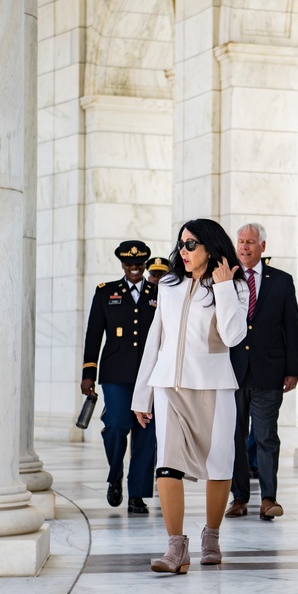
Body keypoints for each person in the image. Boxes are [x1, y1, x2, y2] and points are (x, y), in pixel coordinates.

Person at [131, 219, 249, 574]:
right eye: (180, 244)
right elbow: (157, 338)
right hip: (169, 386)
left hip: (213, 387)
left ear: (210, 247)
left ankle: (211, 536)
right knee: (166, 463)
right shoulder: (168, 285)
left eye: (190, 245)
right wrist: (142, 394)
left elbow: (233, 337)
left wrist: (226, 289)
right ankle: (175, 548)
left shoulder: (236, 287)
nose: (182, 251)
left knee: (219, 464)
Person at [225, 224, 298, 521]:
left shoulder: (281, 281)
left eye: (250, 242)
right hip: (231, 372)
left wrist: (293, 369)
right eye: (241, 242)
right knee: (234, 436)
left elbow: (291, 327)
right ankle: (239, 498)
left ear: (263, 246)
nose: (244, 247)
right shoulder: (226, 279)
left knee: (266, 436)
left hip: (269, 372)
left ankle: (269, 498)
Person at [81, 240, 158, 514]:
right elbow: (93, 334)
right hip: (115, 373)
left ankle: (137, 493)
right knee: (115, 425)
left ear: (144, 265)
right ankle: (115, 476)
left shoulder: (158, 293)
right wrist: (88, 372)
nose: (134, 268)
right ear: (122, 265)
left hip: (150, 375)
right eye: (129, 264)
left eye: (139, 264)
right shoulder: (106, 292)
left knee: (146, 433)